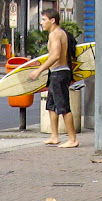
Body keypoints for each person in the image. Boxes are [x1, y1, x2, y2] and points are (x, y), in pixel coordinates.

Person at [28, 8, 79, 148]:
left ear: (53, 21)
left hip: (59, 73)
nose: (41, 23)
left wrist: (39, 70)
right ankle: (54, 136)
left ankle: (72, 139)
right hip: (57, 73)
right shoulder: (60, 33)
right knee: (51, 105)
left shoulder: (55, 35)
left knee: (63, 106)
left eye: (44, 20)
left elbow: (55, 55)